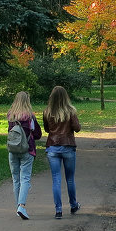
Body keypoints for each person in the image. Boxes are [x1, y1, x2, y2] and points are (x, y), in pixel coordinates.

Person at [42, 85, 81, 219]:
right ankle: (73, 205)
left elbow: (47, 129)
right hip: (68, 146)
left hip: (52, 147)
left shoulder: (47, 111)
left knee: (56, 180)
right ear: (65, 97)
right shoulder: (70, 111)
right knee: (70, 179)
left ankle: (58, 210)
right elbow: (77, 128)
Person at [7, 91, 42, 220]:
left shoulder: (10, 115)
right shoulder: (30, 116)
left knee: (16, 179)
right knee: (25, 178)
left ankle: (18, 207)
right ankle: (21, 206)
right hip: (27, 149)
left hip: (13, 150)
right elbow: (38, 134)